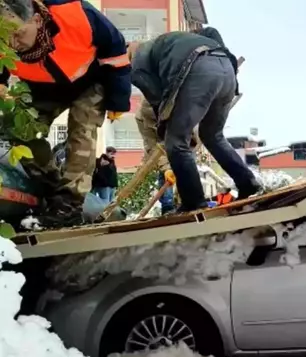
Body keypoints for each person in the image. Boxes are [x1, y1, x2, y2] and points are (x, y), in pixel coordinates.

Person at [0, 0, 131, 227]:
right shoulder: (6, 41)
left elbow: (116, 52)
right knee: (19, 131)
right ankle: (53, 190)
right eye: (6, 37)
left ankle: (70, 205)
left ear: (37, 19)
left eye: (18, 33)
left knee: (82, 130)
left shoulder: (75, 14)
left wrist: (118, 100)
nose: (13, 43)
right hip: (43, 88)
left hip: (91, 81)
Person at [127, 30, 261, 213]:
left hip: (199, 71)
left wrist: (170, 130)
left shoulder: (137, 61)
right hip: (227, 72)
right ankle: (248, 182)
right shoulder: (170, 41)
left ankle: (194, 202)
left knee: (175, 142)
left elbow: (159, 100)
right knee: (212, 135)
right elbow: (212, 32)